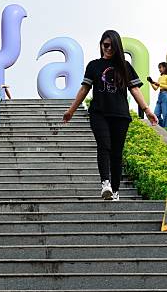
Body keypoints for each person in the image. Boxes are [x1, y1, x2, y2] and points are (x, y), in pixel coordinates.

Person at [63, 30, 158, 202]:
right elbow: (84, 89)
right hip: (99, 113)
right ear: (101, 45)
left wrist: (147, 110)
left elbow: (135, 89)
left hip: (120, 115)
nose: (108, 49)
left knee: (117, 153)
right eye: (105, 45)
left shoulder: (125, 66)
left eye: (112, 46)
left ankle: (115, 190)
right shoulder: (94, 66)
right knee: (104, 145)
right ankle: (105, 183)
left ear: (118, 47)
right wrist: (71, 110)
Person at [148, 61, 167, 128]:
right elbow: (155, 88)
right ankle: (164, 127)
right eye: (159, 68)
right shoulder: (160, 77)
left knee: (166, 114)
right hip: (160, 95)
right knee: (156, 114)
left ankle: (166, 127)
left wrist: (159, 84)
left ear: (165, 68)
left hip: (165, 95)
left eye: (160, 68)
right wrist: (151, 82)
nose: (159, 69)